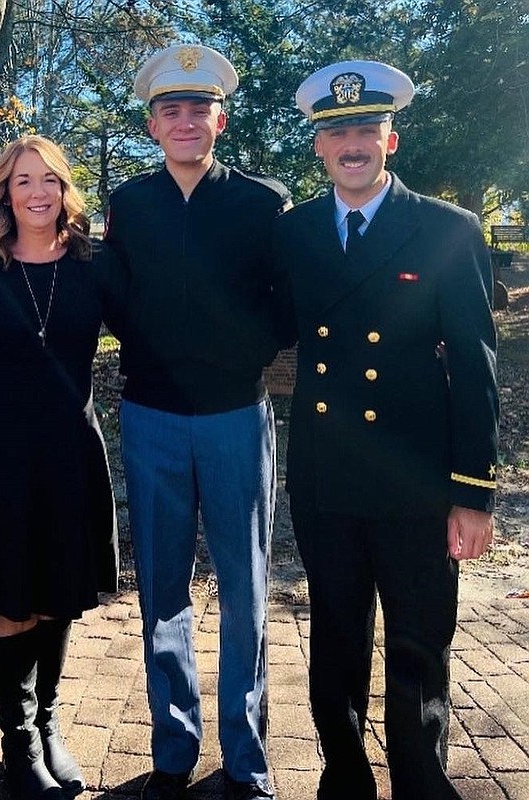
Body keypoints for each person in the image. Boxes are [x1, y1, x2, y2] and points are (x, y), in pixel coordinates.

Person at [272, 61, 499, 800]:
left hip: (416, 476)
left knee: (418, 638)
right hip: (325, 470)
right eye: (338, 132)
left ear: (390, 140)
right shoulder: (297, 232)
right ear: (318, 147)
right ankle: (345, 778)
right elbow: (255, 320)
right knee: (336, 636)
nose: (353, 143)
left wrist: (474, 494)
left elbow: (474, 367)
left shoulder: (447, 229)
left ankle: (422, 780)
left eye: (366, 129)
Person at [104, 44, 292, 800]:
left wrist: (231, 352)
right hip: (150, 416)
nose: (185, 122)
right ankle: (173, 749)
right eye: (170, 110)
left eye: (198, 109)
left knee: (245, 588)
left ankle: (246, 758)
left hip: (234, 418)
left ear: (220, 117)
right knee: (162, 591)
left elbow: (284, 305)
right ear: (152, 124)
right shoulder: (131, 203)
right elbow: (114, 297)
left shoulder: (259, 200)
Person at [0, 135, 119, 800]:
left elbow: (144, 323)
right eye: (23, 181)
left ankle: (48, 728)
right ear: (5, 191)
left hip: (72, 450)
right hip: (1, 451)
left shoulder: (93, 264)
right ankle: (17, 747)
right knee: (10, 598)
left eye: (49, 180)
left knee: (54, 596)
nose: (37, 192)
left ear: (64, 189)